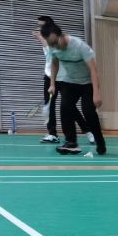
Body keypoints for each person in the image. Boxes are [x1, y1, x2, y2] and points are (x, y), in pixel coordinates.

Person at [41, 22, 106, 156]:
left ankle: (100, 141)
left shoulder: (79, 46)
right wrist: (52, 84)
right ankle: (71, 143)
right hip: (70, 81)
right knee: (65, 108)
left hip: (87, 82)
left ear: (62, 35)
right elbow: (54, 64)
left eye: (55, 42)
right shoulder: (53, 48)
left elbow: (93, 70)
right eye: (51, 44)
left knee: (88, 111)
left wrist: (97, 93)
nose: (54, 47)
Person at [33, 16, 88, 144]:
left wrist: (41, 38)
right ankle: (52, 134)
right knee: (50, 105)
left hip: (63, 77)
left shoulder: (56, 39)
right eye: (38, 26)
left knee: (69, 106)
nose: (38, 28)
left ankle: (88, 130)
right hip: (49, 76)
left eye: (41, 26)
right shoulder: (45, 38)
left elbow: (52, 52)